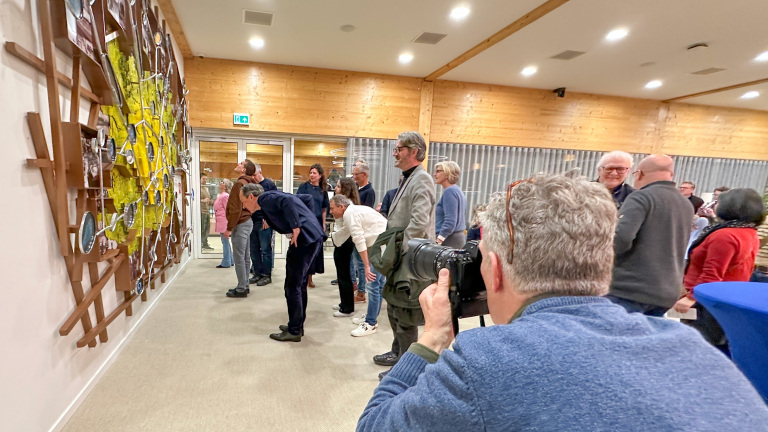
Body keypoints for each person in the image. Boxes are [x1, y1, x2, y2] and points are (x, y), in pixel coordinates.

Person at [356, 172, 768, 431]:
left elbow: (374, 425)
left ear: (494, 269)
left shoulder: (483, 361)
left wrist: (431, 338)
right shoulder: (694, 351)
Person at [373, 131, 435, 380]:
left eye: (399, 148)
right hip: (401, 257)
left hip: (410, 259)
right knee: (394, 309)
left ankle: (406, 368)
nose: (395, 153)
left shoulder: (423, 179)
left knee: (406, 314)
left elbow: (419, 223)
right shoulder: (409, 178)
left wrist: (397, 252)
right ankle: (397, 352)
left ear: (414, 152)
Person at [674, 188, 766, 354]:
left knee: (698, 346)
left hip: (707, 301)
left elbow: (713, 272)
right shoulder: (749, 232)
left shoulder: (724, 235)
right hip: (729, 297)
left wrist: (691, 298)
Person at [607, 154, 693, 316]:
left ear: (639, 174)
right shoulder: (685, 204)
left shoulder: (641, 197)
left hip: (630, 291)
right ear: (671, 175)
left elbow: (621, 239)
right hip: (667, 292)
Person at [240, 184, 324, 342]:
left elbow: (287, 202)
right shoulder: (267, 202)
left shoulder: (265, 198)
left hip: (304, 241)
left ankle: (295, 330)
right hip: (310, 238)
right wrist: (307, 219)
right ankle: (297, 325)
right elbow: (306, 199)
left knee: (292, 286)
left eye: (243, 201)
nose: (243, 206)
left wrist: (297, 225)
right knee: (299, 284)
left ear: (251, 196)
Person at [329, 195, 387, 337]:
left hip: (379, 246)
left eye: (332, 208)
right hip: (382, 243)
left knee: (373, 284)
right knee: (377, 285)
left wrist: (367, 266)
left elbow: (359, 239)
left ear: (341, 207)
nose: (331, 211)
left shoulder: (350, 214)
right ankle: (371, 316)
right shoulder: (353, 211)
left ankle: (370, 323)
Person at [224, 160, 257, 298]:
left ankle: (241, 288)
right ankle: (245, 285)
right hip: (248, 221)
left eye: (241, 163)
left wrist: (229, 227)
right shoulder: (251, 183)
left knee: (239, 257)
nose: (238, 164)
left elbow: (235, 207)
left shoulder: (239, 184)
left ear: (244, 170)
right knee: (245, 256)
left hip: (240, 223)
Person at [330, 178, 361, 316]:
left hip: (344, 241)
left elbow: (345, 228)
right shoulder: (343, 205)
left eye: (338, 186)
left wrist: (335, 236)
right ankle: (345, 302)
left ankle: (348, 308)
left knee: (344, 275)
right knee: (342, 273)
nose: (335, 188)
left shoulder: (348, 208)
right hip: (341, 240)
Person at [297, 163, 329, 288]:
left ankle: (310, 276)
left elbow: (324, 209)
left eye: (314, 173)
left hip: (317, 221)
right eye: (310, 172)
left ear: (320, 175)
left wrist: (323, 224)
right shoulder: (304, 187)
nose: (311, 175)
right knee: (305, 248)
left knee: (315, 250)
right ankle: (303, 276)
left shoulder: (323, 190)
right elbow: (297, 203)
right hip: (306, 220)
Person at [248, 163, 277, 286]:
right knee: (254, 249)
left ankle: (266, 275)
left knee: (265, 250)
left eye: (255, 175)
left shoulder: (269, 185)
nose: (253, 178)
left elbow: (275, 204)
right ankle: (257, 273)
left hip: (264, 222)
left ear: (260, 172)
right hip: (252, 221)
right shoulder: (251, 186)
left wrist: (268, 218)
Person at [434, 161, 467, 247]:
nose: (435, 174)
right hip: (455, 238)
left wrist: (438, 241)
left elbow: (450, 221)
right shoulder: (457, 190)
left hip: (449, 240)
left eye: (438, 171)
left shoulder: (449, 191)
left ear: (447, 173)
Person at [214, 179, 234, 268]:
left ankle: (226, 261)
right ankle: (230, 260)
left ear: (225, 186)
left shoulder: (225, 196)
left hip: (223, 220)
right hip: (220, 219)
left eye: (222, 183)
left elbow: (228, 209)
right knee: (225, 241)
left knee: (225, 241)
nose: (220, 184)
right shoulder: (222, 195)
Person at [199, 173, 213, 250]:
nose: (205, 180)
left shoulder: (206, 188)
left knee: (207, 228)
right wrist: (203, 201)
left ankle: (205, 243)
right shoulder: (198, 188)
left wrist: (210, 201)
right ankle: (200, 243)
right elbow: (195, 200)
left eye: (206, 179)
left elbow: (208, 198)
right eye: (203, 179)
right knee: (202, 228)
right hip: (202, 211)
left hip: (207, 211)